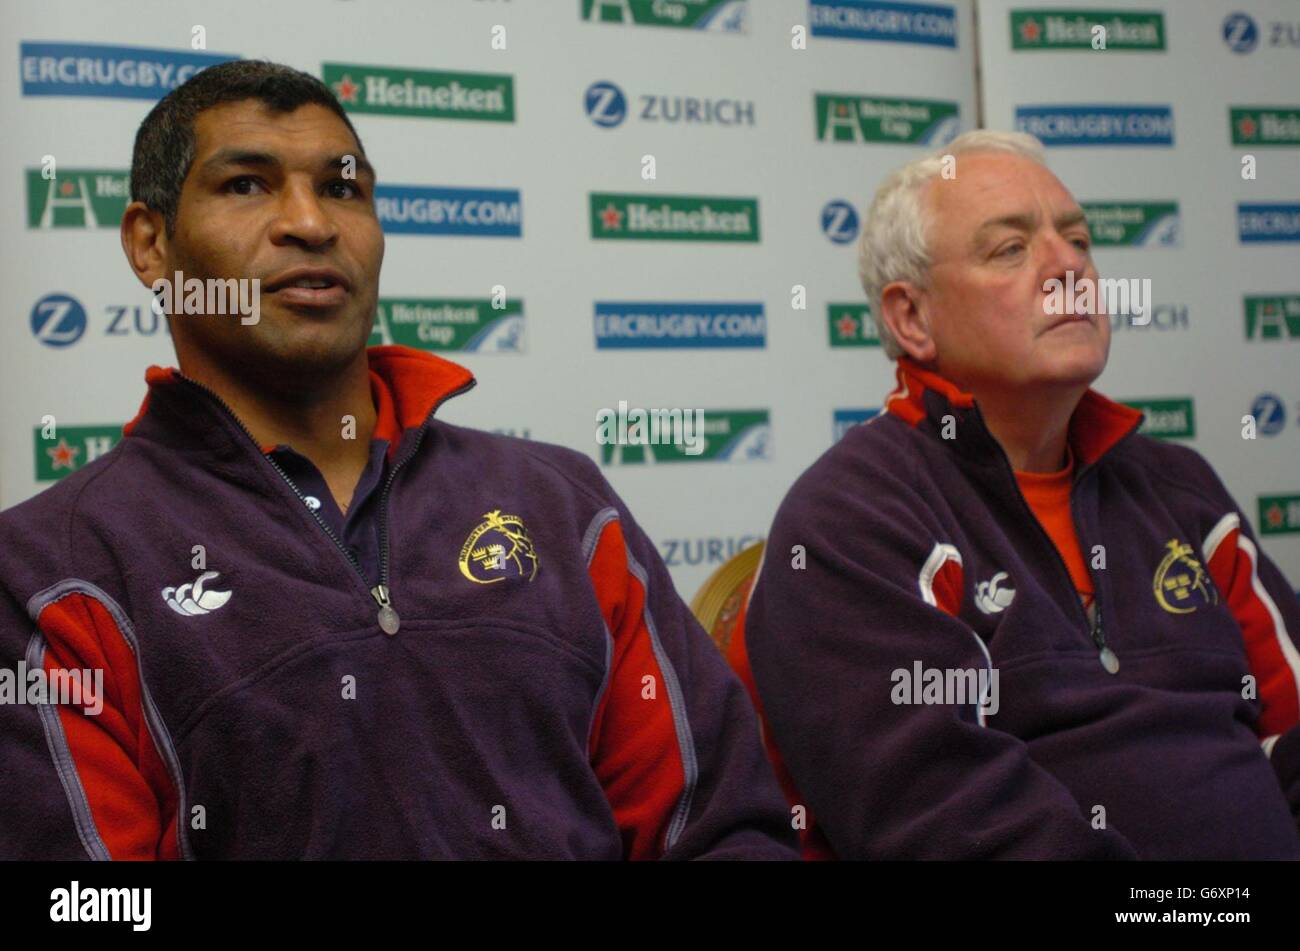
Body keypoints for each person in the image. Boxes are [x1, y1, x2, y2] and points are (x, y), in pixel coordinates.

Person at [0, 61, 797, 860]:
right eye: (247, 185)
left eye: (343, 188)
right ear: (151, 245)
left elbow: (720, 828)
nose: (311, 223)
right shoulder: (52, 573)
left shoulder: (561, 503)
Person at [743, 130, 1300, 859]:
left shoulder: (1180, 486)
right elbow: (957, 832)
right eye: (1010, 249)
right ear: (912, 318)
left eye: (1078, 239)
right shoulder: (851, 522)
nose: (1067, 264)